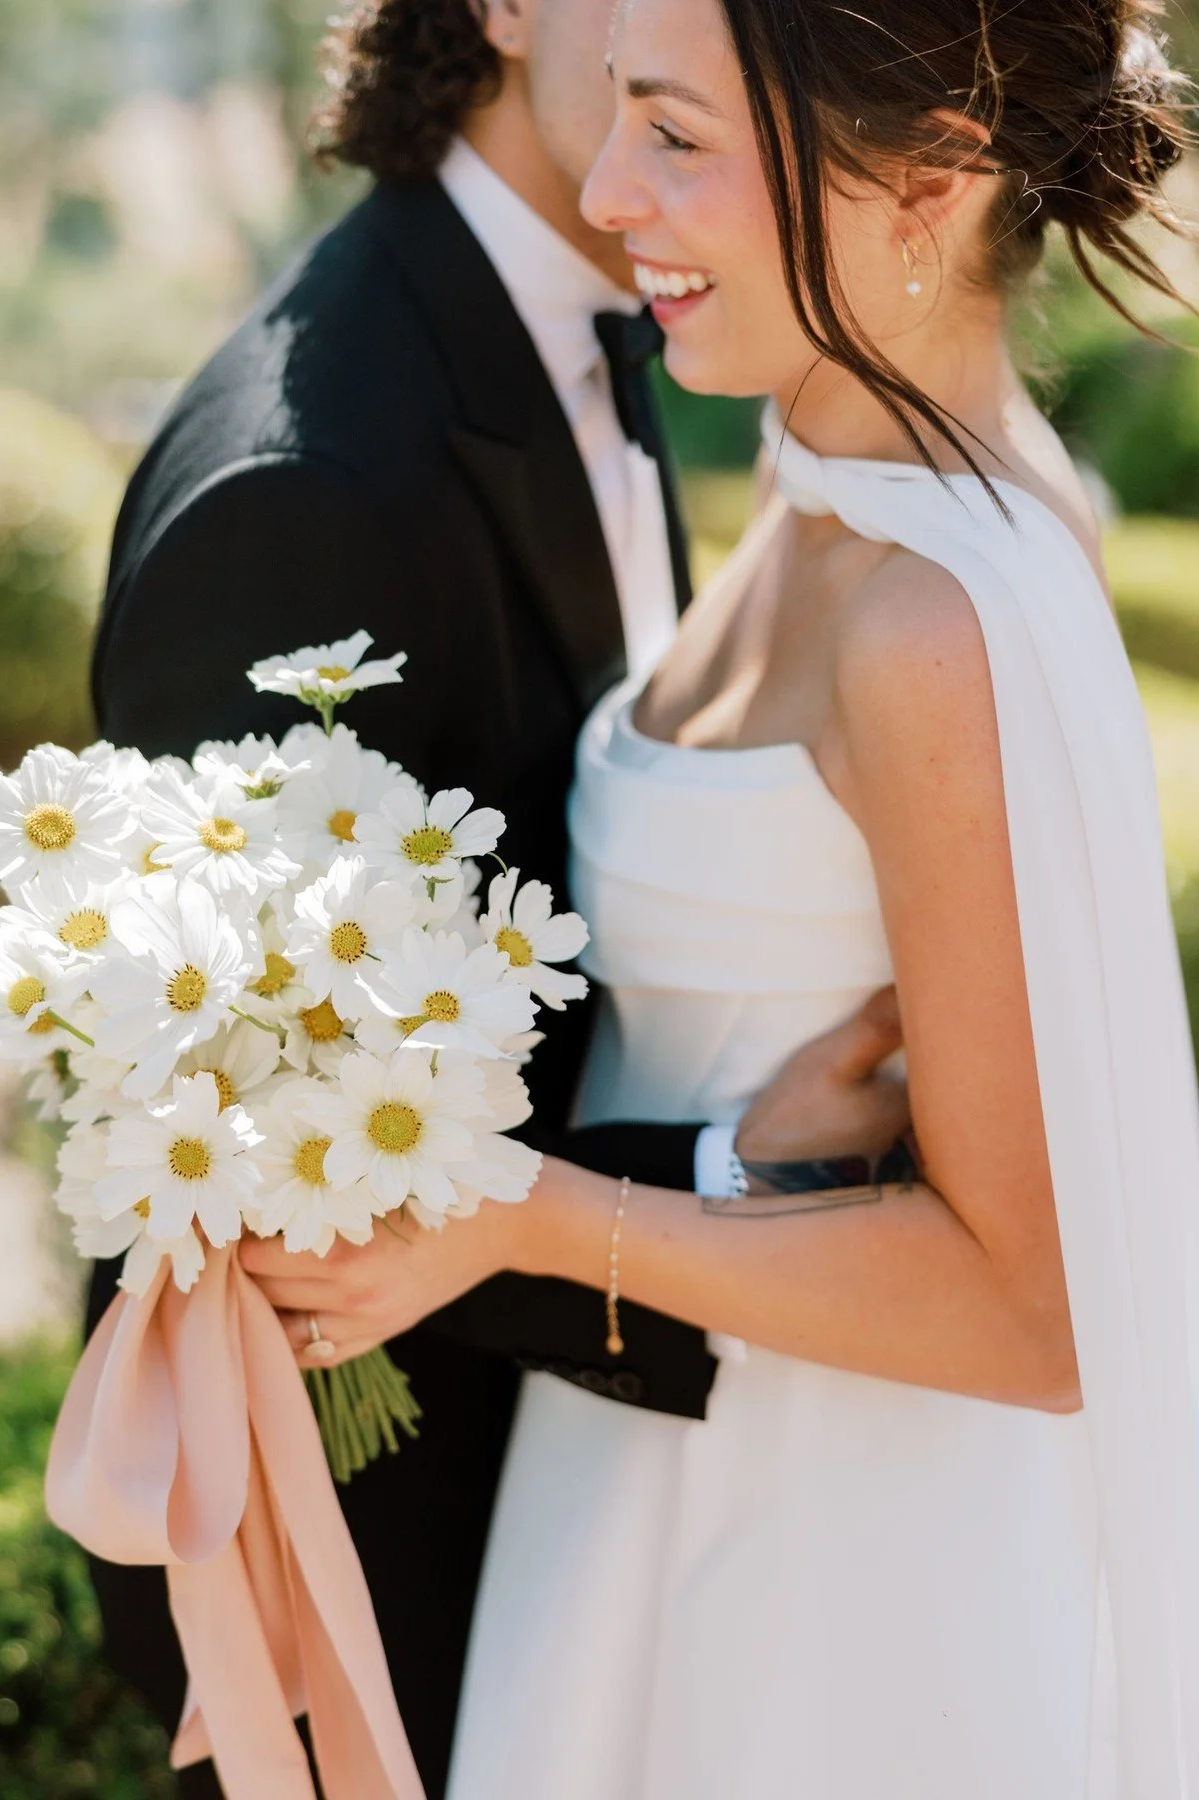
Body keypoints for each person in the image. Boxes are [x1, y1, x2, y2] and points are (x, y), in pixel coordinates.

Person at [241, 0, 1199, 1793]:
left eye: (677, 139)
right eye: (625, 122)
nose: (611, 194)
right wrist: (736, 1173)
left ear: (923, 188)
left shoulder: (937, 623)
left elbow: (1037, 1316)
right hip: (655, 1460)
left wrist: (526, 1216)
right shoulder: (820, 470)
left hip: (834, 1566)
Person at [85, 0, 909, 1792]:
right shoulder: (313, 489)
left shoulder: (610, 330)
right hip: (377, 1560)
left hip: (578, 1504)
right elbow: (271, 1198)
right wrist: (737, 1186)